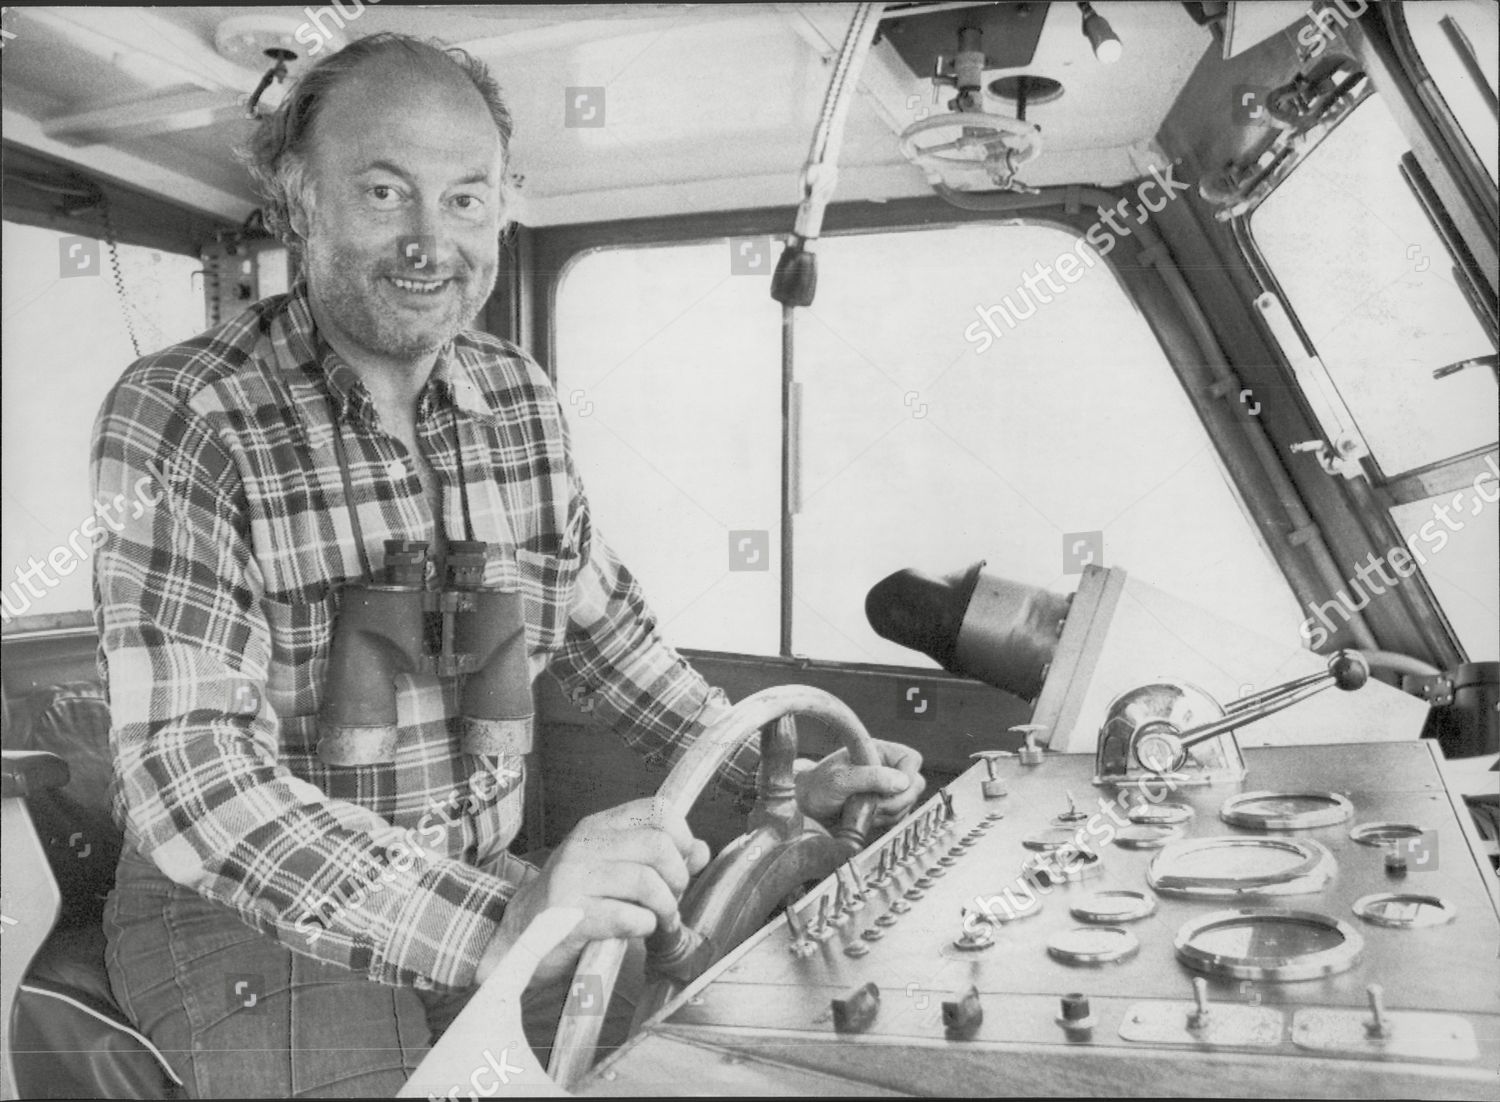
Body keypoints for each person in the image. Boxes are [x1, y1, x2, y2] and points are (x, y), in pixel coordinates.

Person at [92, 32, 924, 1098]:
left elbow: (605, 635)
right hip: (241, 913)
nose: (428, 240)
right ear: (300, 197)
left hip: (477, 879)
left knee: (665, 1063)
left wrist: (774, 775)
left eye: (467, 200)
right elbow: (189, 778)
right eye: (386, 192)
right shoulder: (185, 412)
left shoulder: (517, 396)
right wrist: (502, 919)